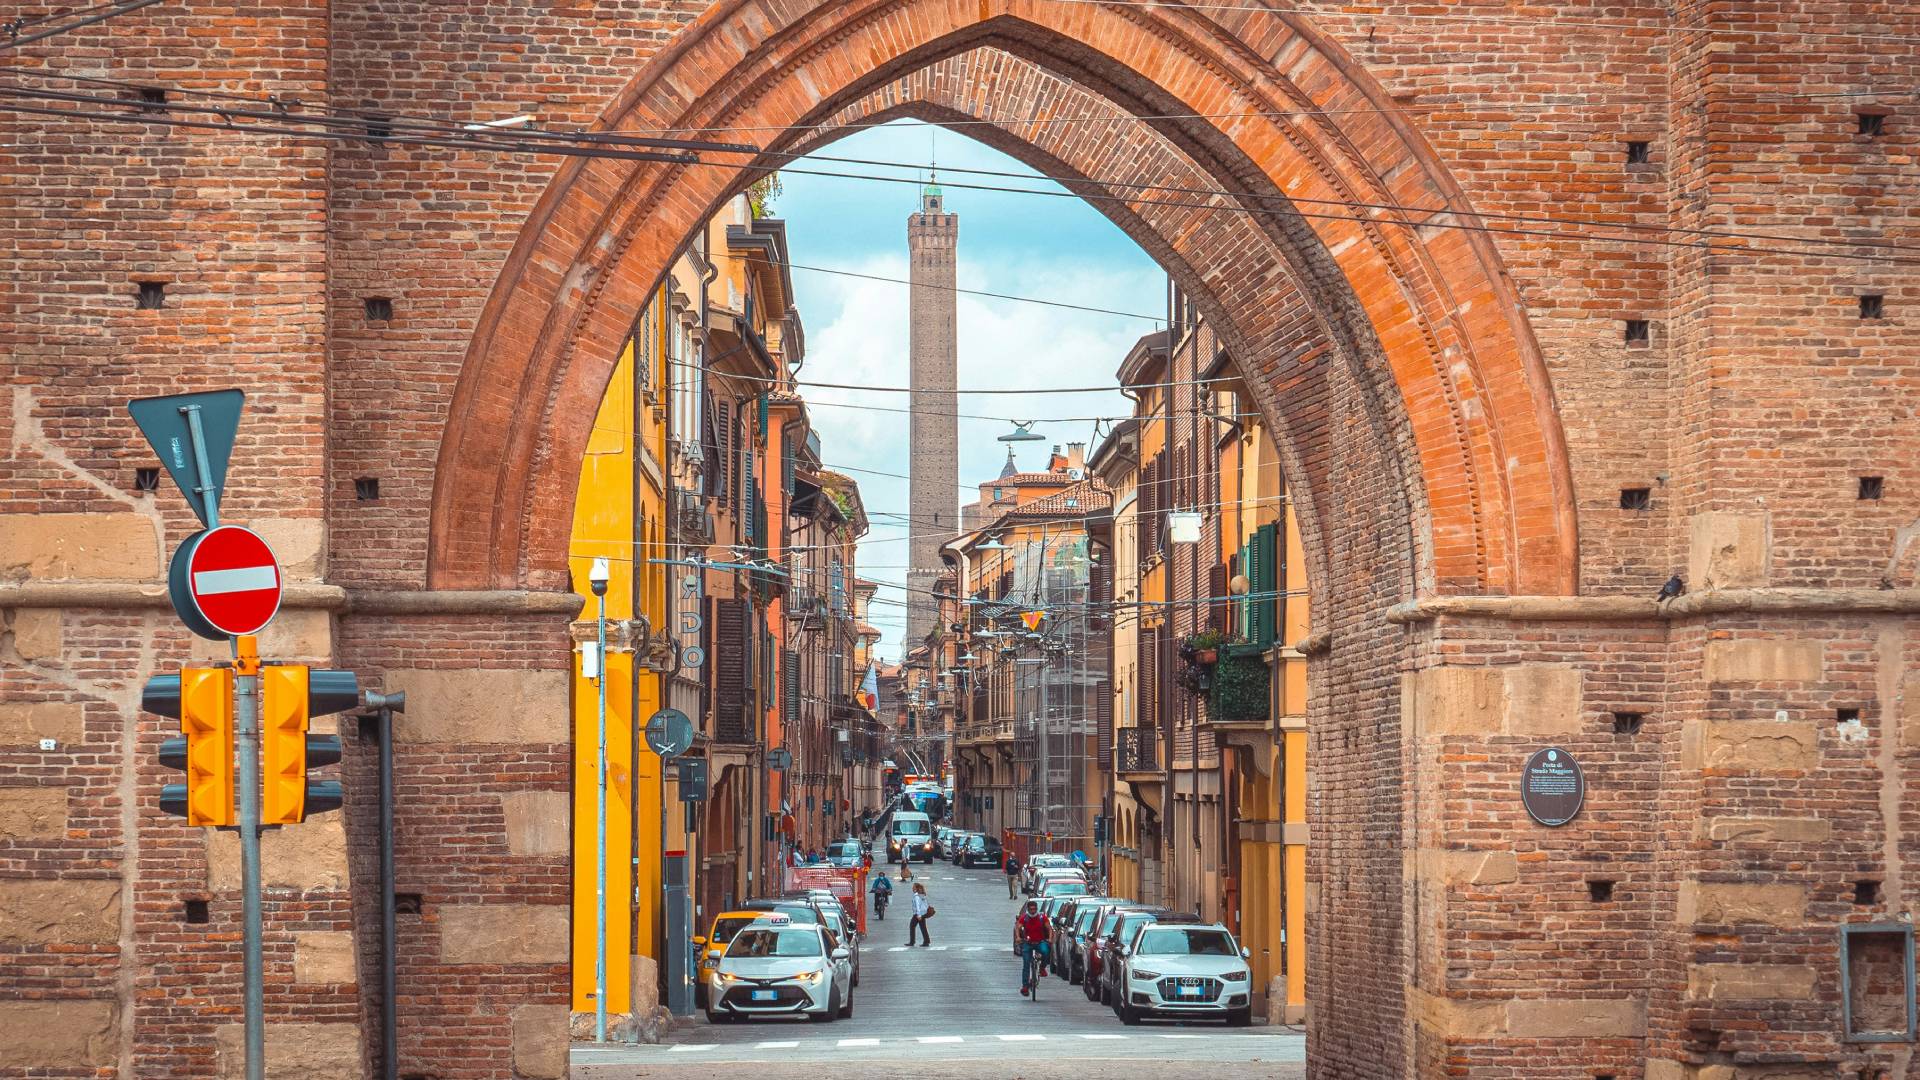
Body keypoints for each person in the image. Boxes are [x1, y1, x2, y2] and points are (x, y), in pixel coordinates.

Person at [1016, 900, 1050, 996]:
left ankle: (1042, 968)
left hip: (1040, 941)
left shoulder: (1042, 917)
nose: (1032, 911)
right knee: (1026, 963)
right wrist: (1018, 937)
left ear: (1037, 909)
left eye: (1034, 909)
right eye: (1031, 909)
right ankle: (1025, 986)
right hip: (1028, 942)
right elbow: (1018, 927)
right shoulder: (1024, 918)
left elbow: (1049, 928)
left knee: (1045, 951)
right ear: (1028, 909)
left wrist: (1050, 938)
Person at [907, 882, 932, 947]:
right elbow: (926, 904)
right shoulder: (922, 895)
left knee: (912, 926)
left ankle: (912, 942)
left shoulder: (916, 896)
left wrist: (918, 915)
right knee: (923, 927)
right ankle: (926, 941)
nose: (912, 888)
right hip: (923, 913)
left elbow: (918, 906)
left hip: (918, 914)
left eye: (913, 887)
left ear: (916, 889)